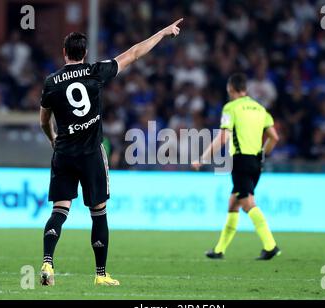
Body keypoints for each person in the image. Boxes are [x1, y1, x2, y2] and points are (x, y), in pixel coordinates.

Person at [39, 18, 183, 286]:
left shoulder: (51, 81)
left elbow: (43, 120)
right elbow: (134, 53)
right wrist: (162, 33)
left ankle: (48, 261)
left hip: (64, 153)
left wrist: (53, 139)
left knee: (60, 210)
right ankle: (101, 274)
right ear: (84, 53)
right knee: (99, 212)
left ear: (64, 53)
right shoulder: (95, 72)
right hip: (91, 153)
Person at [192, 73, 281, 260]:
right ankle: (219, 250)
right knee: (233, 204)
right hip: (256, 162)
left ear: (230, 89)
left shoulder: (231, 108)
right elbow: (274, 137)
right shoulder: (260, 108)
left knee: (248, 203)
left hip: (240, 161)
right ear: (245, 89)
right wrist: (263, 153)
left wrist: (203, 158)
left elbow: (223, 138)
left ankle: (270, 245)